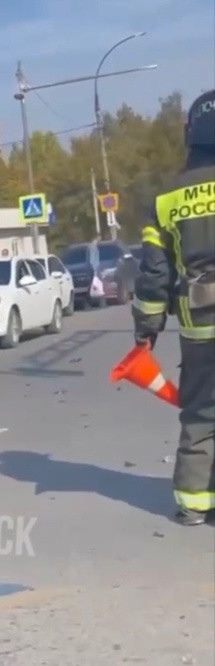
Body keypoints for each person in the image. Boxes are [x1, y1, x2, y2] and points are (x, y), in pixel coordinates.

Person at [131, 88, 215, 527]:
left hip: (199, 325)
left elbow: (154, 277)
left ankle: (193, 504)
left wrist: (146, 329)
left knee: (202, 410)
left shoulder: (168, 199)